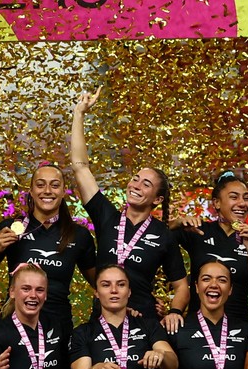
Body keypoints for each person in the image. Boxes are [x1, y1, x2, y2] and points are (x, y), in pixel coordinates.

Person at [71, 87, 189, 330]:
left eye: (146, 184)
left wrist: (174, 311)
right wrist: (79, 114)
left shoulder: (163, 234)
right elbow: (80, 166)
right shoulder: (107, 216)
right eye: (135, 178)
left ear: (157, 199)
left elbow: (182, 286)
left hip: (143, 320)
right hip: (103, 319)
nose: (136, 185)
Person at [0, 163, 96, 369]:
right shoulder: (11, 228)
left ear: (64, 191)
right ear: (30, 191)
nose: (47, 191)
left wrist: (134, 302)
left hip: (58, 327)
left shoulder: (79, 235)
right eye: (40, 184)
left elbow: (100, 281)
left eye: (55, 185)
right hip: (15, 326)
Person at [69, 264, 177, 369]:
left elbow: (173, 363)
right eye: (106, 285)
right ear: (96, 292)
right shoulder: (83, 332)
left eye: (121, 285)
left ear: (129, 291)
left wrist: (160, 354)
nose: (114, 290)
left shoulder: (148, 325)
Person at [167, 260, 248, 369]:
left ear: (230, 289)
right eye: (206, 279)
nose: (213, 284)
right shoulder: (177, 328)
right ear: (197, 287)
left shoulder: (246, 330)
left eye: (222, 280)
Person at [171, 171, 248, 322]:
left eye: (246, 198)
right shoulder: (199, 231)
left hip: (239, 329)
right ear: (217, 203)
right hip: (197, 329)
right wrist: (177, 223)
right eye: (234, 197)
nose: (242, 203)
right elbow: (156, 233)